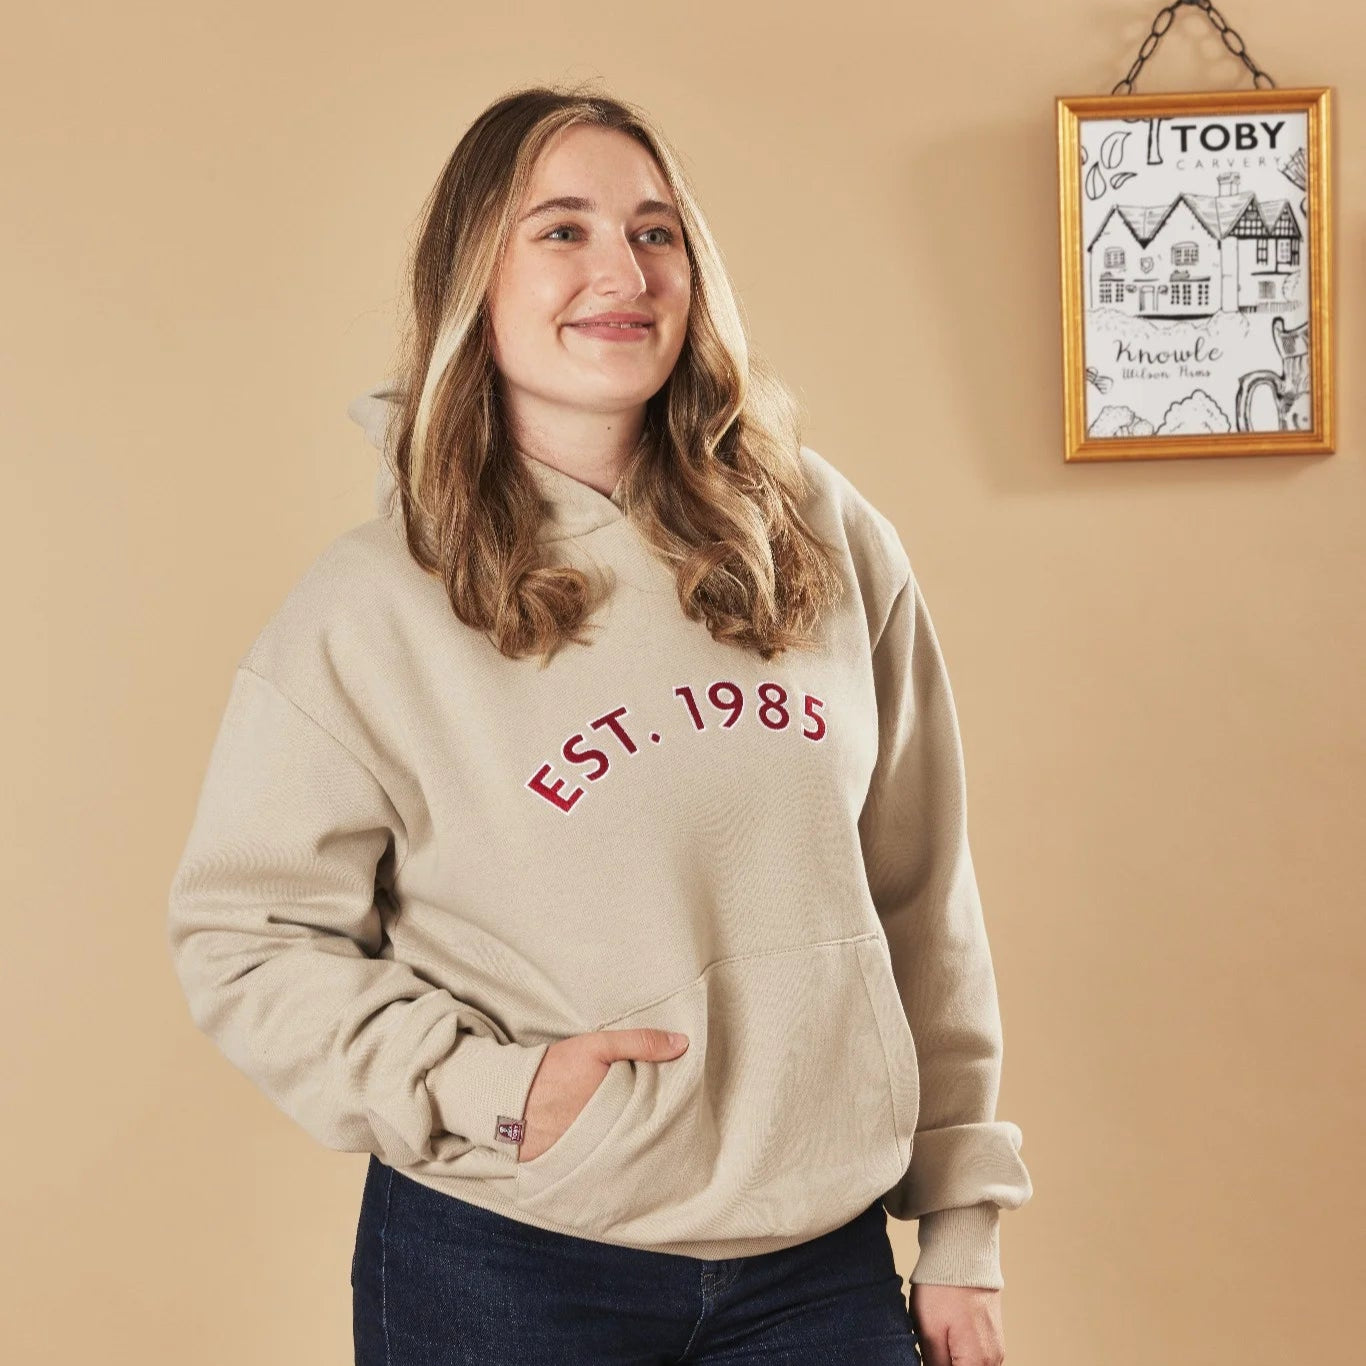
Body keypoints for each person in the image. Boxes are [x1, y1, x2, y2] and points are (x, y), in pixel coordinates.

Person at [166, 83, 1032, 1365]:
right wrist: (501, 1096)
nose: (620, 270)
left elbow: (919, 897)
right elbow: (242, 938)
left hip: (816, 1263)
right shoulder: (373, 605)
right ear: (474, 274)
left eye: (656, 230)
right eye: (561, 229)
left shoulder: (820, 537)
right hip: (510, 1263)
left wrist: (961, 1217)